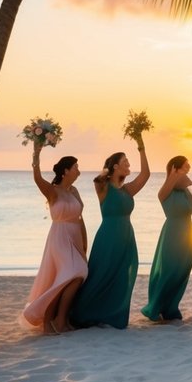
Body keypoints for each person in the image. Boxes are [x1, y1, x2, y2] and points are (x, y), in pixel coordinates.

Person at [70, 136, 150, 329]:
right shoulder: (103, 187)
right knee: (100, 275)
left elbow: (146, 174)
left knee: (122, 276)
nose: (129, 165)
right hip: (109, 236)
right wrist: (108, 166)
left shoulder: (127, 190)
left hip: (126, 236)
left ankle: (112, 316)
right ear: (115, 167)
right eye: (125, 162)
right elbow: (98, 178)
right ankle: (80, 313)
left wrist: (141, 145)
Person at [22, 152, 88, 333]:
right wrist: (36, 155)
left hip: (75, 235)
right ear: (66, 171)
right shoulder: (52, 191)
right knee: (74, 273)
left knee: (74, 275)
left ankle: (60, 320)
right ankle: (51, 321)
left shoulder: (74, 191)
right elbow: (37, 179)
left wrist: (84, 242)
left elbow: (80, 218)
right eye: (76, 168)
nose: (79, 172)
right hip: (59, 237)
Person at [141, 155, 192, 322]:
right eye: (185, 167)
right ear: (175, 169)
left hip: (189, 234)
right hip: (173, 234)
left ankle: (170, 307)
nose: (188, 170)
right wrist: (178, 176)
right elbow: (167, 186)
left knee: (181, 272)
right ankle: (156, 306)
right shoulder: (166, 191)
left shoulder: (186, 191)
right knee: (168, 271)